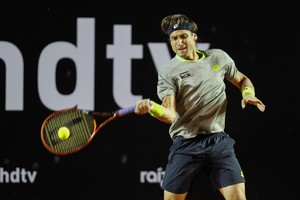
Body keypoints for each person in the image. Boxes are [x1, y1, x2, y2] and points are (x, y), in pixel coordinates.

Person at [134, 14, 266, 200]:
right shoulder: (168, 72)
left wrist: (247, 94)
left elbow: (242, 79)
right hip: (187, 144)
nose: (179, 42)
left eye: (183, 36)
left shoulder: (218, 57)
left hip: (218, 141)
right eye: (174, 38)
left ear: (194, 36)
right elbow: (170, 115)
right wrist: (152, 108)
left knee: (238, 197)